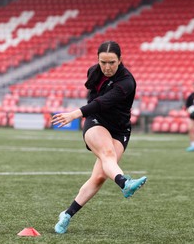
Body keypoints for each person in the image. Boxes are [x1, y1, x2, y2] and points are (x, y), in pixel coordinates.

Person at [51, 41, 147, 234]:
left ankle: (67, 214)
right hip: (96, 121)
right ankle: (124, 182)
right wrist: (82, 114)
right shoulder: (94, 71)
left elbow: (104, 101)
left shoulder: (127, 82)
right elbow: (94, 97)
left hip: (120, 130)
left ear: (120, 60)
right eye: (103, 62)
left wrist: (74, 113)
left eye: (112, 62)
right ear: (98, 60)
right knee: (107, 153)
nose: (107, 67)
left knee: (100, 175)